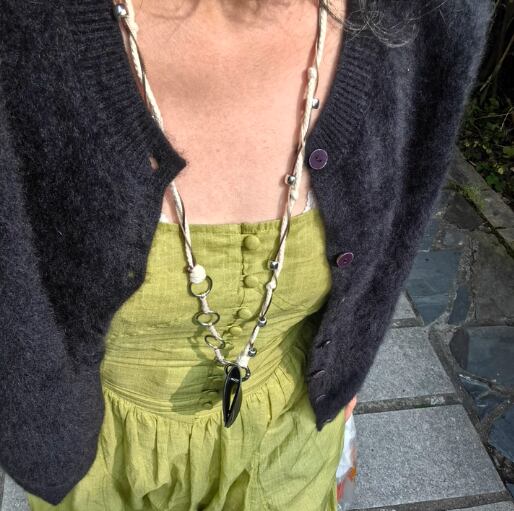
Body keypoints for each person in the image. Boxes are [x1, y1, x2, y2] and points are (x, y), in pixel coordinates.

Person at [0, 0, 492, 509]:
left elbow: (395, 230)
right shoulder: (19, 31)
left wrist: (350, 364)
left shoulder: (433, 14)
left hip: (290, 440)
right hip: (96, 457)